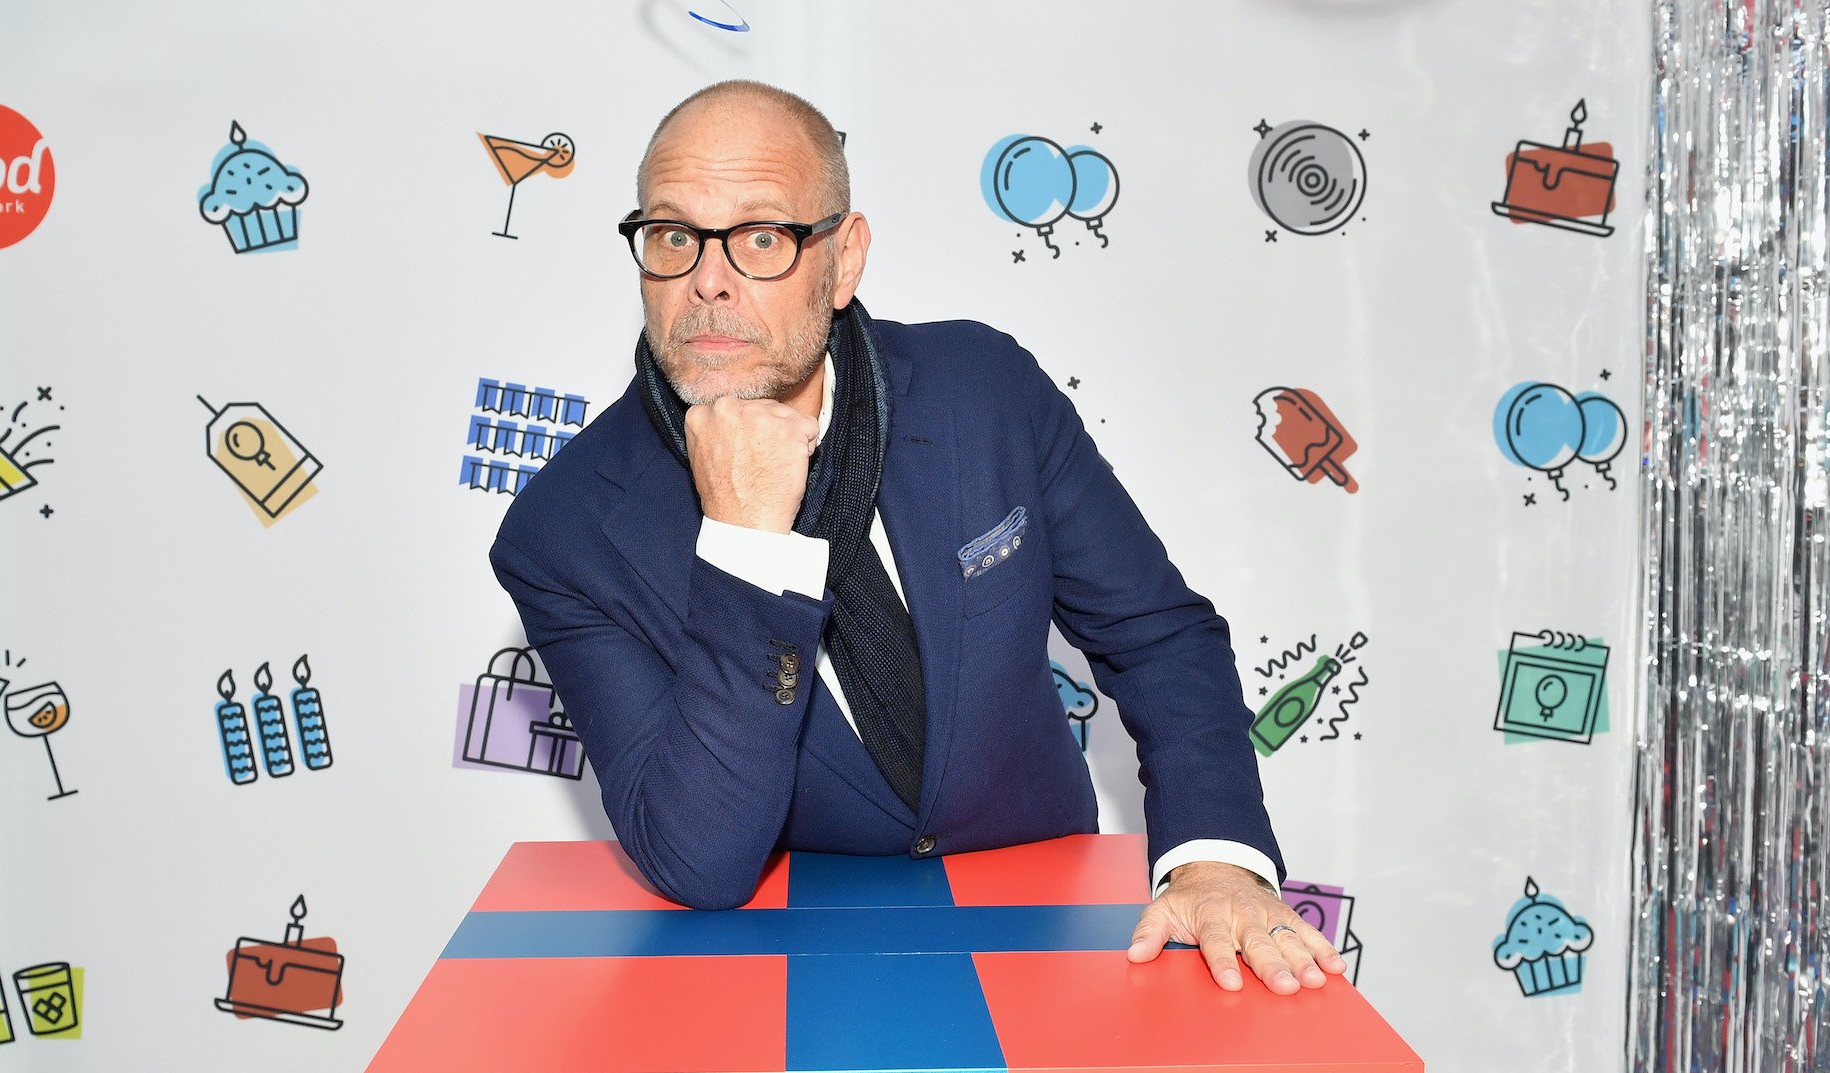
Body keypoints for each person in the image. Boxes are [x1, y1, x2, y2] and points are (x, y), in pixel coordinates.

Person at [489, 80, 1345, 997]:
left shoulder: (983, 389)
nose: (708, 279)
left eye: (763, 238)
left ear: (843, 259)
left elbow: (1158, 636)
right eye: (672, 237)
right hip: (790, 970)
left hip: (1050, 932)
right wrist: (745, 545)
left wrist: (1213, 858)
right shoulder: (566, 531)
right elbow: (698, 861)